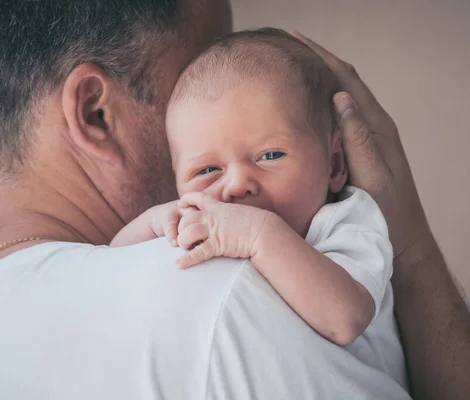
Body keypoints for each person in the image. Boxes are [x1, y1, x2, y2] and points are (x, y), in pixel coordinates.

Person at [0, 1, 470, 399]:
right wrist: (410, 249)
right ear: (96, 114)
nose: (234, 186)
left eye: (270, 152)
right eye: (195, 75)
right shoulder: (227, 294)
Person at [111, 28, 408, 387]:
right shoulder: (203, 215)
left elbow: (344, 319)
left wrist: (258, 235)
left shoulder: (348, 222)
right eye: (207, 170)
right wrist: (156, 223)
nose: (236, 184)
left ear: (333, 164)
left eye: (270, 155)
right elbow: (116, 263)